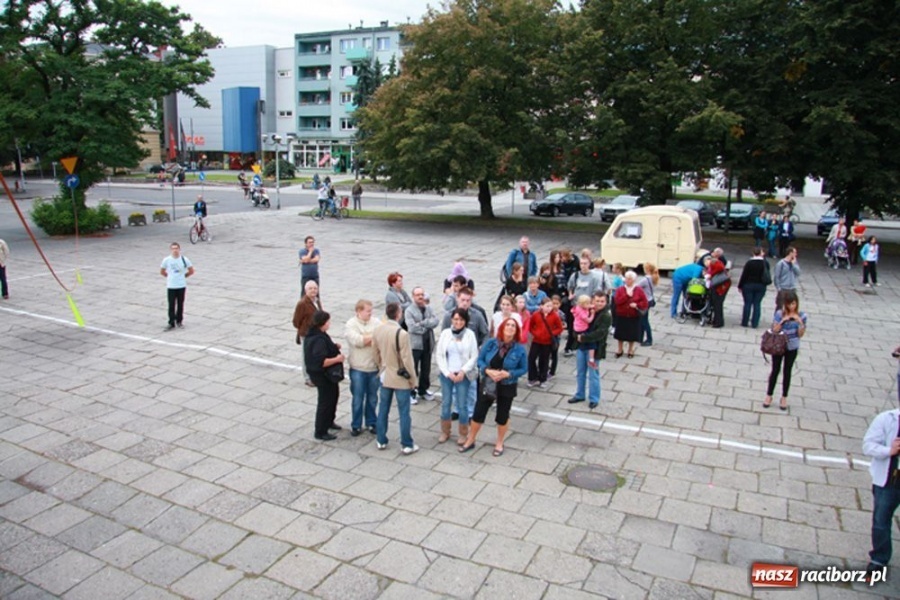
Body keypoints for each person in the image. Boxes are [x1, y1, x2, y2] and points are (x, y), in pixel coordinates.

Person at [460, 318, 528, 456]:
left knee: (502, 415)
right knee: (479, 412)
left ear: (516, 331)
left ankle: (499, 442)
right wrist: (487, 370)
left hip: (507, 384)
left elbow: (524, 368)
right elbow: (479, 360)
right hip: (489, 383)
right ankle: (471, 439)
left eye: (513, 326)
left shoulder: (520, 349)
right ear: (502, 327)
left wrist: (509, 374)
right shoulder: (491, 343)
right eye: (507, 325)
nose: (510, 327)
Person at [372, 302, 419, 454]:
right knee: (404, 411)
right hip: (399, 376)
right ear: (399, 314)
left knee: (383, 408)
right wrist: (413, 379)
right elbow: (407, 360)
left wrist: (381, 366)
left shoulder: (378, 329)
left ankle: (381, 440)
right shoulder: (402, 334)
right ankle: (406, 443)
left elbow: (375, 352)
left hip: (385, 374)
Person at [862, 401, 900, 578]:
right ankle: (879, 558)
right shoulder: (886, 419)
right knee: (880, 520)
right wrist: (889, 450)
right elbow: (868, 446)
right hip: (890, 480)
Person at [435, 309, 478, 445]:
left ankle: (463, 433)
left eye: (461, 320)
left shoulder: (470, 335)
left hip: (462, 375)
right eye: (455, 319)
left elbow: (474, 356)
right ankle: (445, 431)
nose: (458, 322)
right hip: (447, 374)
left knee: (462, 404)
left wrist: (463, 371)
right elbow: (439, 355)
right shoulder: (445, 333)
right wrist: (447, 373)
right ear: (451, 320)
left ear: (465, 321)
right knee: (446, 403)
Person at [304, 310, 345, 441]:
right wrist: (338, 359)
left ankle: (329, 421)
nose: (329, 323)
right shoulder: (317, 340)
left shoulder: (319, 334)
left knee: (333, 397)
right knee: (325, 401)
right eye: (328, 321)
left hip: (325, 375)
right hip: (322, 376)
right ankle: (321, 430)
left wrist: (334, 346)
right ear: (322, 323)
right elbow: (321, 361)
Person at [763, 290, 807, 411]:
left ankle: (784, 397)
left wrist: (800, 322)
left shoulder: (802, 315)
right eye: (789, 304)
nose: (791, 306)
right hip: (779, 345)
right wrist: (784, 320)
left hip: (792, 346)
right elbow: (775, 329)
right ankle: (769, 395)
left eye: (793, 304)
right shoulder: (779, 314)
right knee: (775, 370)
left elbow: (801, 334)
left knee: (787, 371)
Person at [568, 292, 611, 408]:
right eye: (597, 301)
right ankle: (580, 394)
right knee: (580, 372)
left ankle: (594, 398)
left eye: (602, 301)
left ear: (606, 302)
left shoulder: (606, 316)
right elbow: (576, 323)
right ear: (592, 301)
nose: (599, 303)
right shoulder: (585, 309)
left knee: (593, 374)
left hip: (595, 348)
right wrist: (576, 334)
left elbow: (600, 333)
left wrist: (583, 337)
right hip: (582, 346)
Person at [345, 299, 379, 436]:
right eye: (368, 311)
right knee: (358, 398)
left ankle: (371, 422)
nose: (370, 313)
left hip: (373, 367)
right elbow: (357, 341)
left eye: (371, 311)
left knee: (372, 397)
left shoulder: (376, 322)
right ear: (359, 311)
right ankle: (356, 424)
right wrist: (371, 338)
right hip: (358, 367)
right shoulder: (351, 324)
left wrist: (366, 338)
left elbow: (380, 337)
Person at [405, 287, 440, 403]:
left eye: (422, 294)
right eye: (417, 295)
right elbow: (412, 327)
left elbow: (435, 321)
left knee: (426, 368)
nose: (420, 297)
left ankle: (423, 389)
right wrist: (426, 326)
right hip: (415, 345)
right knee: (413, 369)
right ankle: (411, 391)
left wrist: (423, 323)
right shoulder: (409, 310)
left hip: (427, 343)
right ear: (413, 296)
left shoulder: (428, 308)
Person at [527, 297, 564, 388]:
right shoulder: (536, 314)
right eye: (547, 306)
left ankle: (542, 379)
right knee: (531, 358)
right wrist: (535, 333)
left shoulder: (555, 316)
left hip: (547, 342)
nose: (549, 308)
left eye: (550, 306)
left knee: (544, 361)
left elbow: (560, 328)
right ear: (541, 306)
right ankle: (533, 377)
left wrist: (551, 333)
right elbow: (530, 325)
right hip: (536, 340)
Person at [292, 280, 323, 387]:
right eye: (310, 288)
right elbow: (296, 321)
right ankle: (307, 378)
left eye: (315, 288)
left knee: (315, 355)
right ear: (305, 290)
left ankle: (315, 375)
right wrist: (305, 329)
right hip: (307, 334)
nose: (313, 290)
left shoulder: (317, 301)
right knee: (307, 356)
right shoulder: (302, 303)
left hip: (317, 333)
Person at [159, 242, 194, 330]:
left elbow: (191, 270)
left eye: (176, 248)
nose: (175, 250)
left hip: (181, 285)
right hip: (171, 286)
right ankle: (171, 322)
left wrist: (184, 276)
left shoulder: (184, 259)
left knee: (180, 304)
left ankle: (179, 321)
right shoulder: (166, 260)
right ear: (171, 250)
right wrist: (170, 277)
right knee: (171, 304)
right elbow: (162, 271)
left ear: (179, 249)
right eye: (173, 249)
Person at [613, 271, 648, 358]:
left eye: (630, 279)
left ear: (634, 280)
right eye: (626, 278)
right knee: (620, 334)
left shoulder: (639, 290)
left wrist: (637, 305)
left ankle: (630, 350)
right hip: (622, 315)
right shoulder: (620, 289)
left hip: (633, 316)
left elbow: (645, 303)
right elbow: (617, 301)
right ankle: (620, 349)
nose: (627, 280)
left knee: (632, 334)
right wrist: (626, 296)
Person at [737, 247, 770, 328]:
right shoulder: (765, 263)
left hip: (748, 285)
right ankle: (755, 323)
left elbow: (744, 275)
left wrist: (740, 285)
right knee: (757, 304)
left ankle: (745, 322)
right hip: (761, 285)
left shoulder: (749, 263)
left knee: (747, 303)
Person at [705, 254, 731, 328]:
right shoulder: (718, 264)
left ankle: (718, 322)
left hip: (719, 288)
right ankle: (717, 320)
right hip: (722, 286)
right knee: (718, 305)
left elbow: (714, 272)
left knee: (717, 305)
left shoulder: (716, 266)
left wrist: (710, 275)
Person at [637, 263, 659, 346]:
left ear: (647, 270)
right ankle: (640, 337)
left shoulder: (645, 279)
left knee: (644, 321)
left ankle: (649, 339)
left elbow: (636, 287)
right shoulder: (653, 278)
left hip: (645, 301)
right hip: (650, 300)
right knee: (643, 319)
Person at [571, 295, 596, 364]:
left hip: (577, 327)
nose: (589, 305)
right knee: (591, 343)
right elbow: (589, 320)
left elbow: (587, 306)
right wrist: (593, 314)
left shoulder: (578, 307)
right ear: (582, 304)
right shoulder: (582, 313)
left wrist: (591, 306)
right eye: (587, 303)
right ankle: (591, 359)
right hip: (582, 329)